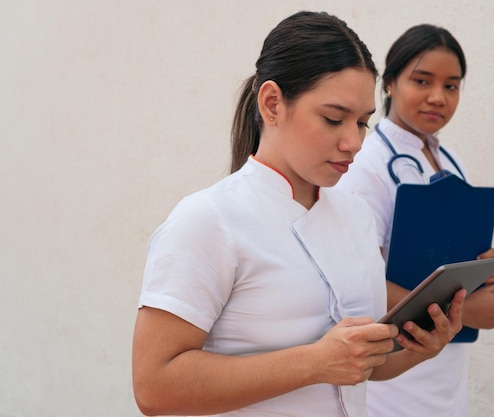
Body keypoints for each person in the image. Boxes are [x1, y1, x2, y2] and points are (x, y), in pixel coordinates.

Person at [132, 12, 466, 417]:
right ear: (272, 103)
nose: (353, 142)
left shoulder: (355, 216)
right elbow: (155, 387)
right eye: (333, 119)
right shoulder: (208, 219)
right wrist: (314, 362)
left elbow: (363, 364)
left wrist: (420, 348)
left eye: (362, 123)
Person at [335, 24, 494, 417]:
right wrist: (463, 310)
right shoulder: (366, 166)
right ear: (391, 83)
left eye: (452, 86)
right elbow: (357, 276)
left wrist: (486, 270)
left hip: (445, 363)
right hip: (395, 367)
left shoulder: (450, 162)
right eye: (422, 80)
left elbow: (449, 259)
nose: (438, 97)